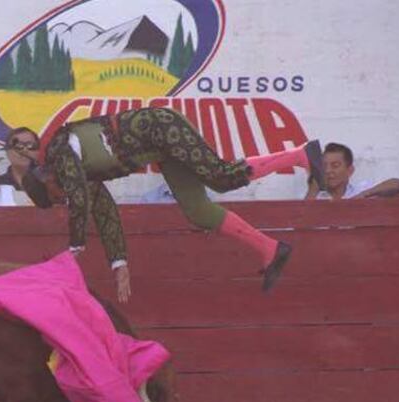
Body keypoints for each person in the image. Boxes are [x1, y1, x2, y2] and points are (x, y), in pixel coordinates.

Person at [33, 106, 324, 302]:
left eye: (57, 196)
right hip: (158, 148)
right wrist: (119, 264)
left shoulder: (60, 154)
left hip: (161, 128)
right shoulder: (78, 175)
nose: (64, 198)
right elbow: (105, 213)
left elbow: (79, 200)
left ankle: (300, 155)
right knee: (199, 212)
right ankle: (270, 249)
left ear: (47, 179)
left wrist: (75, 248)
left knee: (222, 177)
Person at [305, 143, 399, 200]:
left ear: (350, 170)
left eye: (335, 166)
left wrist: (364, 195)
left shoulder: (361, 189)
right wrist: (312, 191)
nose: (328, 171)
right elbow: (301, 221)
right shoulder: (315, 196)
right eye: (324, 166)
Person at [0, 126, 52, 207]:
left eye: (30, 145)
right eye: (18, 146)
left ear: (38, 151)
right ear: (7, 152)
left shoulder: (51, 181)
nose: (24, 150)